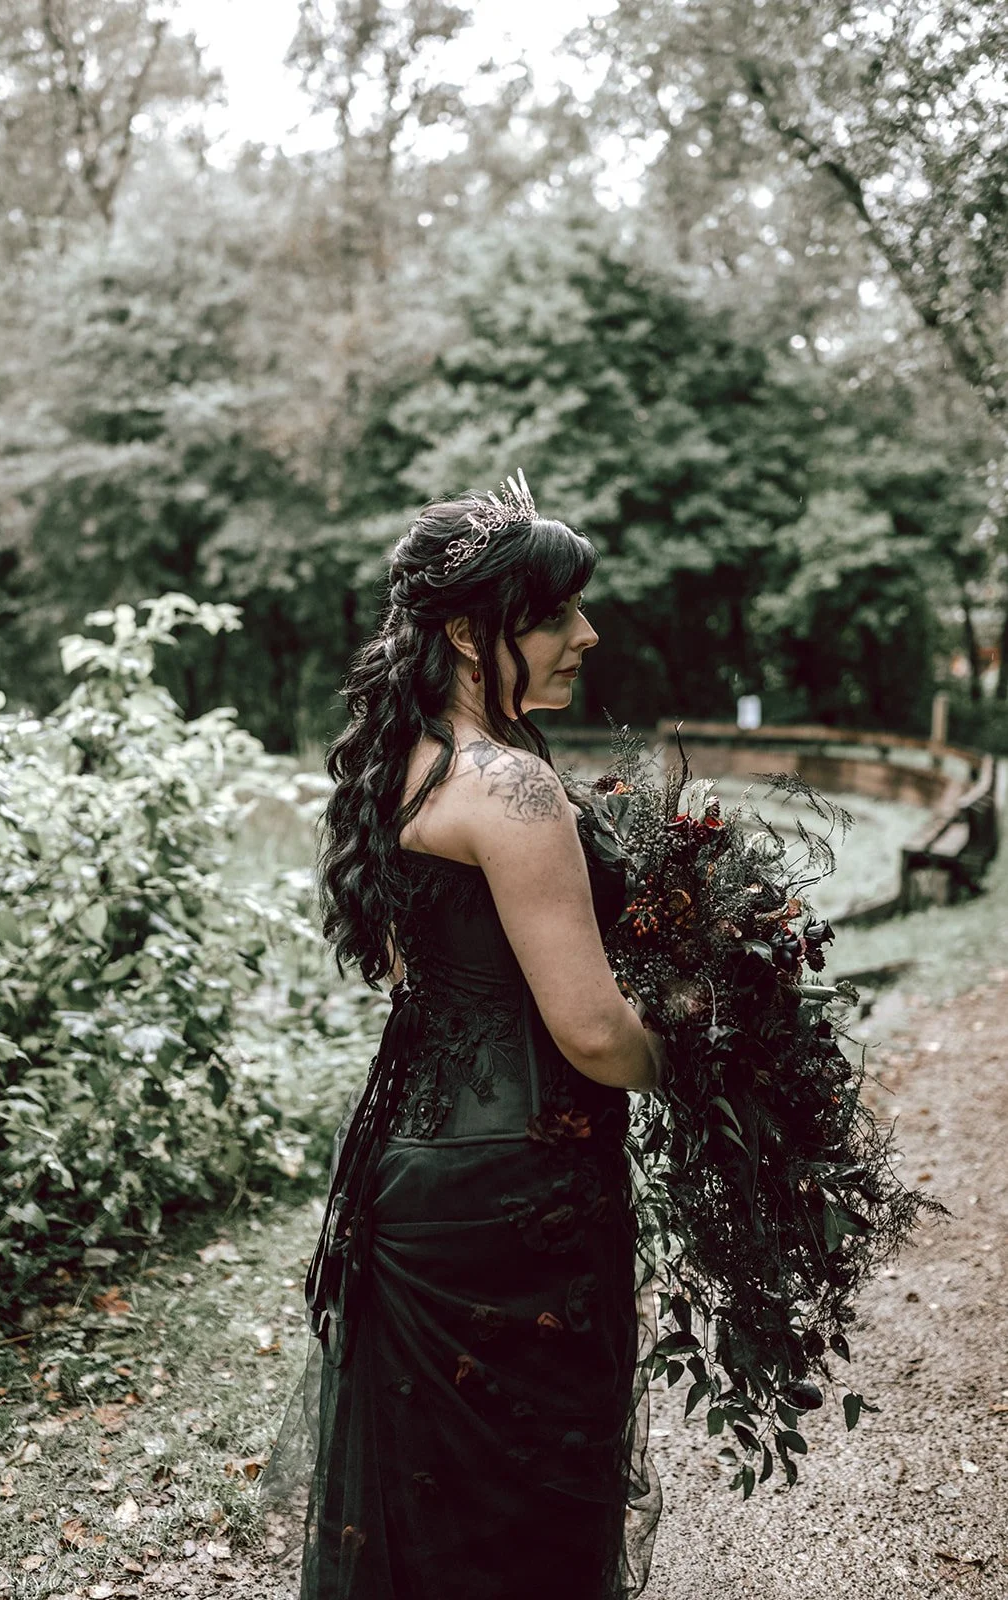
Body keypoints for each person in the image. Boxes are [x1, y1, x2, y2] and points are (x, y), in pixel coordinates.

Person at [262, 473, 666, 1600]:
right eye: (552, 615)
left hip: (409, 1176)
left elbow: (427, 979)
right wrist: (697, 1053)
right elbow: (588, 1033)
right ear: (463, 627)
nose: (585, 633)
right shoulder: (512, 790)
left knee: (431, 1513)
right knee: (525, 1515)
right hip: (518, 1194)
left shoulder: (398, 769)